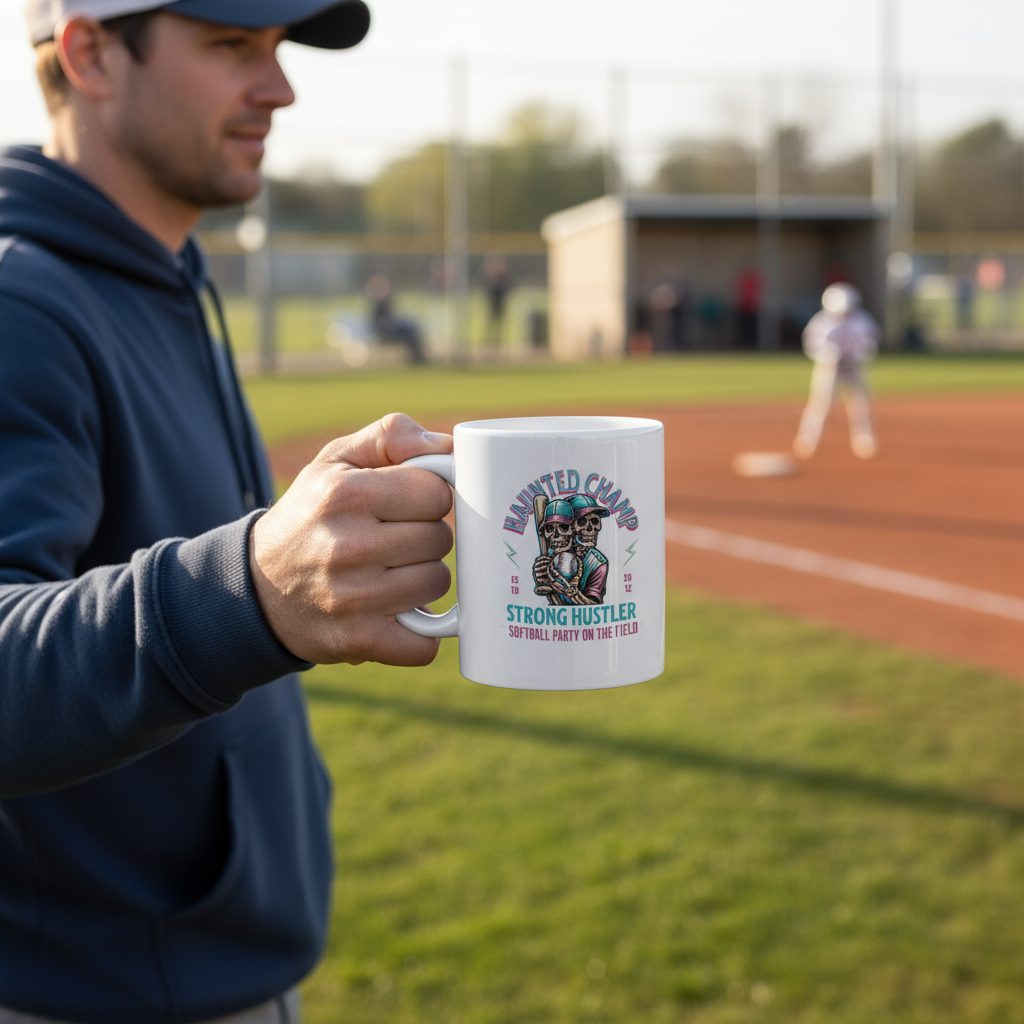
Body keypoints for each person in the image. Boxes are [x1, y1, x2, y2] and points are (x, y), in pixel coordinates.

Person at [0, 3, 455, 1022]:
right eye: (230, 46)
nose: (279, 89)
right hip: (95, 994)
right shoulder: (19, 308)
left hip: (205, 970)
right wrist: (251, 593)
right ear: (90, 53)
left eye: (279, 49)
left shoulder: (160, 277)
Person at [793, 283, 879, 460]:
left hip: (854, 367)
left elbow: (870, 344)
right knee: (821, 403)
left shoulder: (863, 320)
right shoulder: (820, 322)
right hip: (829, 368)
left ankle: (863, 439)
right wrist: (829, 355)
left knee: (860, 403)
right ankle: (809, 438)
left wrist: (858, 355)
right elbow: (812, 345)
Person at [365, 272, 425, 363]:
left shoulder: (385, 303)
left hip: (391, 330)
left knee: (410, 328)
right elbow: (379, 323)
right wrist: (391, 325)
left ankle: (417, 357)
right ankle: (417, 358)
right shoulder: (378, 306)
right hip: (386, 333)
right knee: (409, 332)